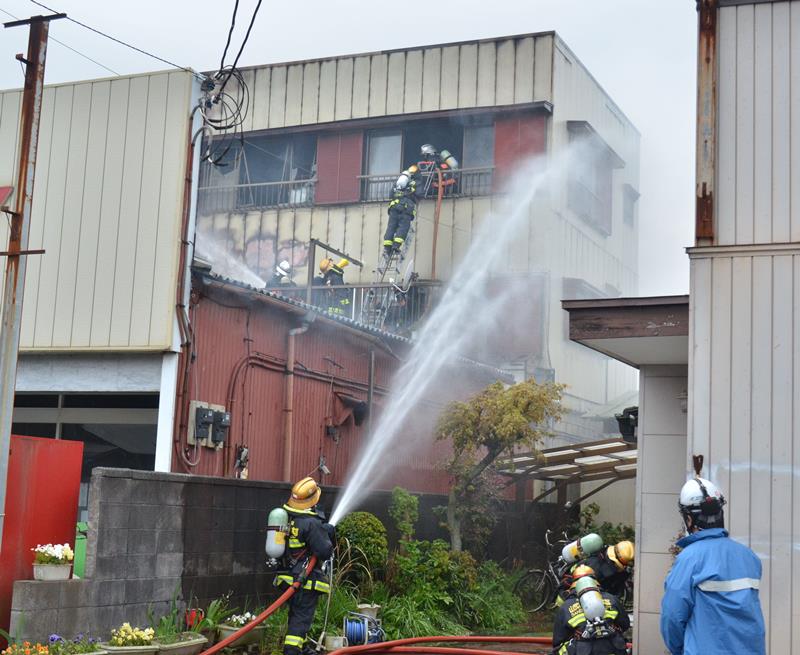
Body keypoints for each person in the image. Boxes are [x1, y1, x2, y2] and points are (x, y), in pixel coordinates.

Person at [660, 477, 765, 655]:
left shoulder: (689, 559)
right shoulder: (748, 556)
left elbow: (672, 616)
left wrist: (680, 649)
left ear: (688, 519)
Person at [275, 477, 335, 655]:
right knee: (301, 618)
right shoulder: (311, 523)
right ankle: (292, 650)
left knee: (296, 616)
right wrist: (328, 533)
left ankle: (301, 648)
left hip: (287, 578)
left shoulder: (287, 517)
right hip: (304, 581)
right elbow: (324, 551)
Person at [552, 565, 629, 655]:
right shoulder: (612, 599)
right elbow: (625, 624)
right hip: (614, 649)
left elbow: (558, 640)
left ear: (574, 584)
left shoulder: (566, 606)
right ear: (595, 581)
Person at [383, 166, 420, 257]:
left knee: (391, 227)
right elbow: (420, 194)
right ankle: (396, 246)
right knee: (403, 227)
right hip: (405, 209)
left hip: (393, 208)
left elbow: (391, 195)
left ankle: (387, 248)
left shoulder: (396, 184)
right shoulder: (414, 183)